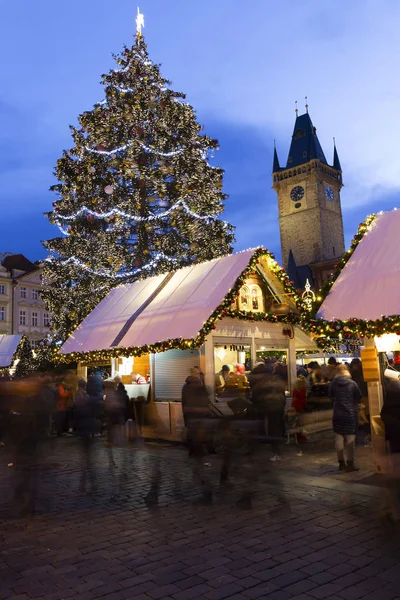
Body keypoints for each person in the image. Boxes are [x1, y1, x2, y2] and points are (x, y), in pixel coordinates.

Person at [248, 361, 286, 461]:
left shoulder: (257, 380)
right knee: (274, 425)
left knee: (267, 426)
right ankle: (276, 445)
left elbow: (255, 393)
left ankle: (274, 448)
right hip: (277, 404)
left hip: (267, 405)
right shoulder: (272, 377)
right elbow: (282, 389)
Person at [328, 364, 362, 472]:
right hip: (350, 413)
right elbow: (359, 397)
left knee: (339, 437)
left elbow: (330, 396)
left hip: (338, 413)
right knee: (350, 439)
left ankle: (341, 463)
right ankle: (350, 463)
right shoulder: (352, 383)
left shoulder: (333, 383)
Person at [75, 379, 96, 493]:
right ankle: (88, 467)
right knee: (87, 452)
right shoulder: (83, 394)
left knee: (86, 451)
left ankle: (85, 481)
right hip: (85, 425)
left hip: (84, 425)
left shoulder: (81, 393)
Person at [86, 369, 104, 437]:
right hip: (98, 400)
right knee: (98, 417)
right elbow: (103, 389)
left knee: (91, 417)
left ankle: (91, 432)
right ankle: (98, 432)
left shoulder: (90, 380)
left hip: (90, 400)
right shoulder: (101, 380)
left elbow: (87, 389)